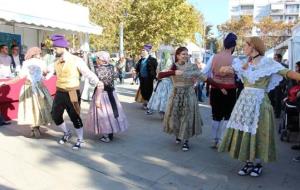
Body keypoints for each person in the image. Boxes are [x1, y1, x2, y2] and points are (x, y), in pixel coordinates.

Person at [218, 36, 300, 177]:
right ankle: (248, 162)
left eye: (246, 45)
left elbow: (288, 73)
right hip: (244, 103)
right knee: (246, 132)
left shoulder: (268, 63)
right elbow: (222, 70)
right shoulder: (244, 64)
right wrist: (228, 69)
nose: (244, 48)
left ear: (253, 47)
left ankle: (258, 164)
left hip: (260, 103)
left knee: (258, 132)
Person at [158, 47, 219, 151]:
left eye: (187, 54)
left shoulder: (192, 66)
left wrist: (220, 86)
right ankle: (178, 134)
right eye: (183, 54)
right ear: (177, 56)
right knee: (176, 116)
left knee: (187, 117)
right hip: (176, 94)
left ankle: (186, 140)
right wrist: (173, 72)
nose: (185, 56)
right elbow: (159, 75)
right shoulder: (173, 66)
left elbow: (205, 78)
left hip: (189, 94)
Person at [50, 34, 100, 150]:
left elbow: (87, 72)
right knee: (55, 115)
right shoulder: (56, 62)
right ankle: (67, 132)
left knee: (75, 116)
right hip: (60, 92)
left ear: (62, 47)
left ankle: (80, 139)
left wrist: (98, 82)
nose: (54, 50)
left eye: (55, 48)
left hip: (72, 92)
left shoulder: (76, 60)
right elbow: (50, 72)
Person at [0, 47, 52, 137]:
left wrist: (5, 83)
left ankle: (33, 128)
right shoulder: (42, 62)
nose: (40, 55)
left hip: (28, 87)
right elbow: (45, 73)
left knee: (30, 108)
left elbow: (19, 77)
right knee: (39, 108)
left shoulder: (26, 63)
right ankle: (37, 128)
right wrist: (45, 72)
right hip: (39, 87)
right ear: (35, 54)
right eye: (39, 53)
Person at [202, 33, 240, 149]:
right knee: (227, 116)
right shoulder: (235, 60)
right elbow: (240, 76)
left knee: (216, 115)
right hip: (230, 91)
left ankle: (214, 140)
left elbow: (205, 73)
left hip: (216, 90)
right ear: (233, 47)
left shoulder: (214, 57)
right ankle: (223, 140)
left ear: (224, 45)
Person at [86, 51, 128, 142]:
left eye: (97, 58)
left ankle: (106, 135)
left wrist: (97, 100)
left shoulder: (98, 69)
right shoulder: (111, 67)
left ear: (101, 60)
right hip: (111, 94)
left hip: (102, 94)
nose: (96, 60)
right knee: (111, 114)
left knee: (103, 115)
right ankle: (110, 133)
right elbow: (115, 77)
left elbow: (100, 85)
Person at [146, 51, 173, 117]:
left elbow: (157, 72)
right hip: (168, 82)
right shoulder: (171, 63)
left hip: (161, 82)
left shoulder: (161, 62)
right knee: (167, 97)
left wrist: (159, 77)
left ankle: (161, 112)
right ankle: (165, 112)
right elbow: (171, 73)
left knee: (159, 96)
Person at [135, 44, 158, 109]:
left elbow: (156, 69)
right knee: (143, 90)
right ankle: (145, 101)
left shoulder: (152, 60)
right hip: (141, 78)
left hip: (149, 78)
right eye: (142, 50)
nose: (142, 51)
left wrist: (155, 77)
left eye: (143, 50)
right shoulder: (141, 60)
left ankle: (148, 103)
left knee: (149, 90)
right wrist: (136, 72)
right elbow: (138, 68)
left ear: (147, 51)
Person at [268, 53, 287, 118]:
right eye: (274, 57)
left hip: (279, 86)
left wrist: (282, 85)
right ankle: (273, 109)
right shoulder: (271, 66)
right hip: (271, 85)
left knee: (277, 99)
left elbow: (286, 77)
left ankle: (277, 113)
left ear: (279, 59)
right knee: (270, 98)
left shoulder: (284, 66)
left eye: (275, 57)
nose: (274, 59)